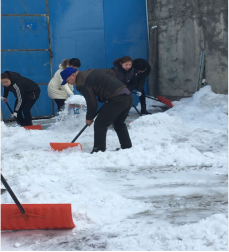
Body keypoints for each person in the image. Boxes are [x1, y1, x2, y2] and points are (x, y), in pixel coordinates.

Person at [60, 67, 133, 153]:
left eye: (67, 80)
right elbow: (111, 72)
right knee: (119, 123)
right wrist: (109, 89)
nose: (68, 83)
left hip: (117, 99)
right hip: (126, 96)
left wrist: (89, 118)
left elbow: (92, 102)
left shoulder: (81, 83)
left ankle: (99, 150)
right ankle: (126, 146)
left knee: (100, 124)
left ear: (72, 75)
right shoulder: (90, 72)